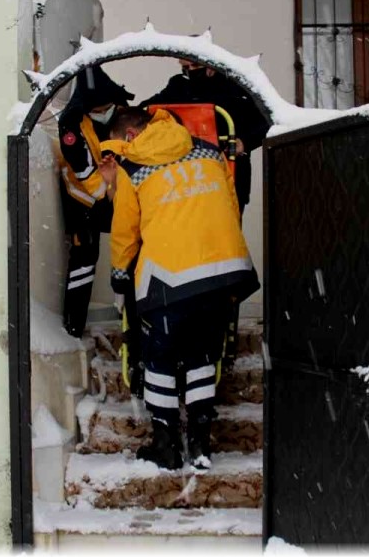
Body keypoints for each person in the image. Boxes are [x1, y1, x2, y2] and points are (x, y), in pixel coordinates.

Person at [99, 107, 259, 472]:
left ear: (129, 137)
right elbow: (231, 205)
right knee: (203, 356)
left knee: (160, 359)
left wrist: (120, 278)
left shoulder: (133, 168)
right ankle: (200, 442)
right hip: (222, 272)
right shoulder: (208, 150)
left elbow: (125, 233)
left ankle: (166, 443)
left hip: (169, 278)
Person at [56, 64, 135, 338]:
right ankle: (73, 327)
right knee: (84, 258)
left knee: (135, 247)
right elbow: (85, 174)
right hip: (84, 199)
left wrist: (124, 192)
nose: (103, 113)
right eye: (97, 110)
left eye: (107, 108)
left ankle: (134, 319)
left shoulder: (123, 114)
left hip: (119, 191)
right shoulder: (70, 124)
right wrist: (110, 194)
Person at [141, 57, 270, 216]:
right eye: (185, 66)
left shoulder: (235, 87)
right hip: (189, 177)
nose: (190, 71)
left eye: (194, 65)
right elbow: (147, 109)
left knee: (227, 231)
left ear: (211, 65)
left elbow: (265, 122)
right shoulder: (178, 85)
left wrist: (244, 142)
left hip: (230, 171)